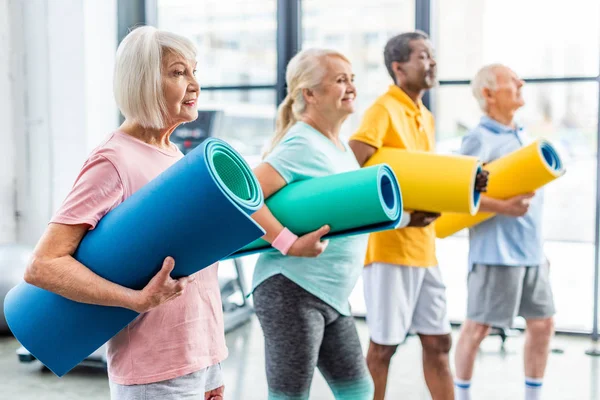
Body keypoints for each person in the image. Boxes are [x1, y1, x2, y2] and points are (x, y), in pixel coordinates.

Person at [23, 26, 226, 400]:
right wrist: (133, 300)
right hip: (154, 371)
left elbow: (196, 277)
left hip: (199, 356)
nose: (195, 84)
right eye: (179, 72)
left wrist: (212, 365)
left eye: (195, 71)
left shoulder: (174, 155)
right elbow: (44, 264)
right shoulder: (112, 160)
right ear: (145, 81)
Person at [349, 31, 487, 400]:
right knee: (384, 347)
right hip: (391, 248)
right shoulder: (383, 109)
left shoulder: (423, 115)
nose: (432, 63)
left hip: (424, 249)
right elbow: (357, 162)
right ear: (399, 68)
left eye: (432, 55)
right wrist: (402, 214)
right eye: (423, 56)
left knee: (440, 341)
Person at [250, 48, 375, 400]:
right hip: (291, 290)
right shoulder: (300, 143)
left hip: (332, 294)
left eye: (352, 79)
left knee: (359, 390)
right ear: (309, 94)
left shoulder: (337, 145)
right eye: (339, 80)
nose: (350, 86)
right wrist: (287, 242)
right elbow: (244, 195)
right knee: (290, 396)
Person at [453, 64, 555, 400]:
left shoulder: (522, 135)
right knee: (477, 327)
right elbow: (458, 195)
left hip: (531, 252)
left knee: (542, 325)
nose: (521, 82)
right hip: (495, 253)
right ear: (489, 94)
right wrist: (505, 208)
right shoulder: (477, 139)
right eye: (512, 80)